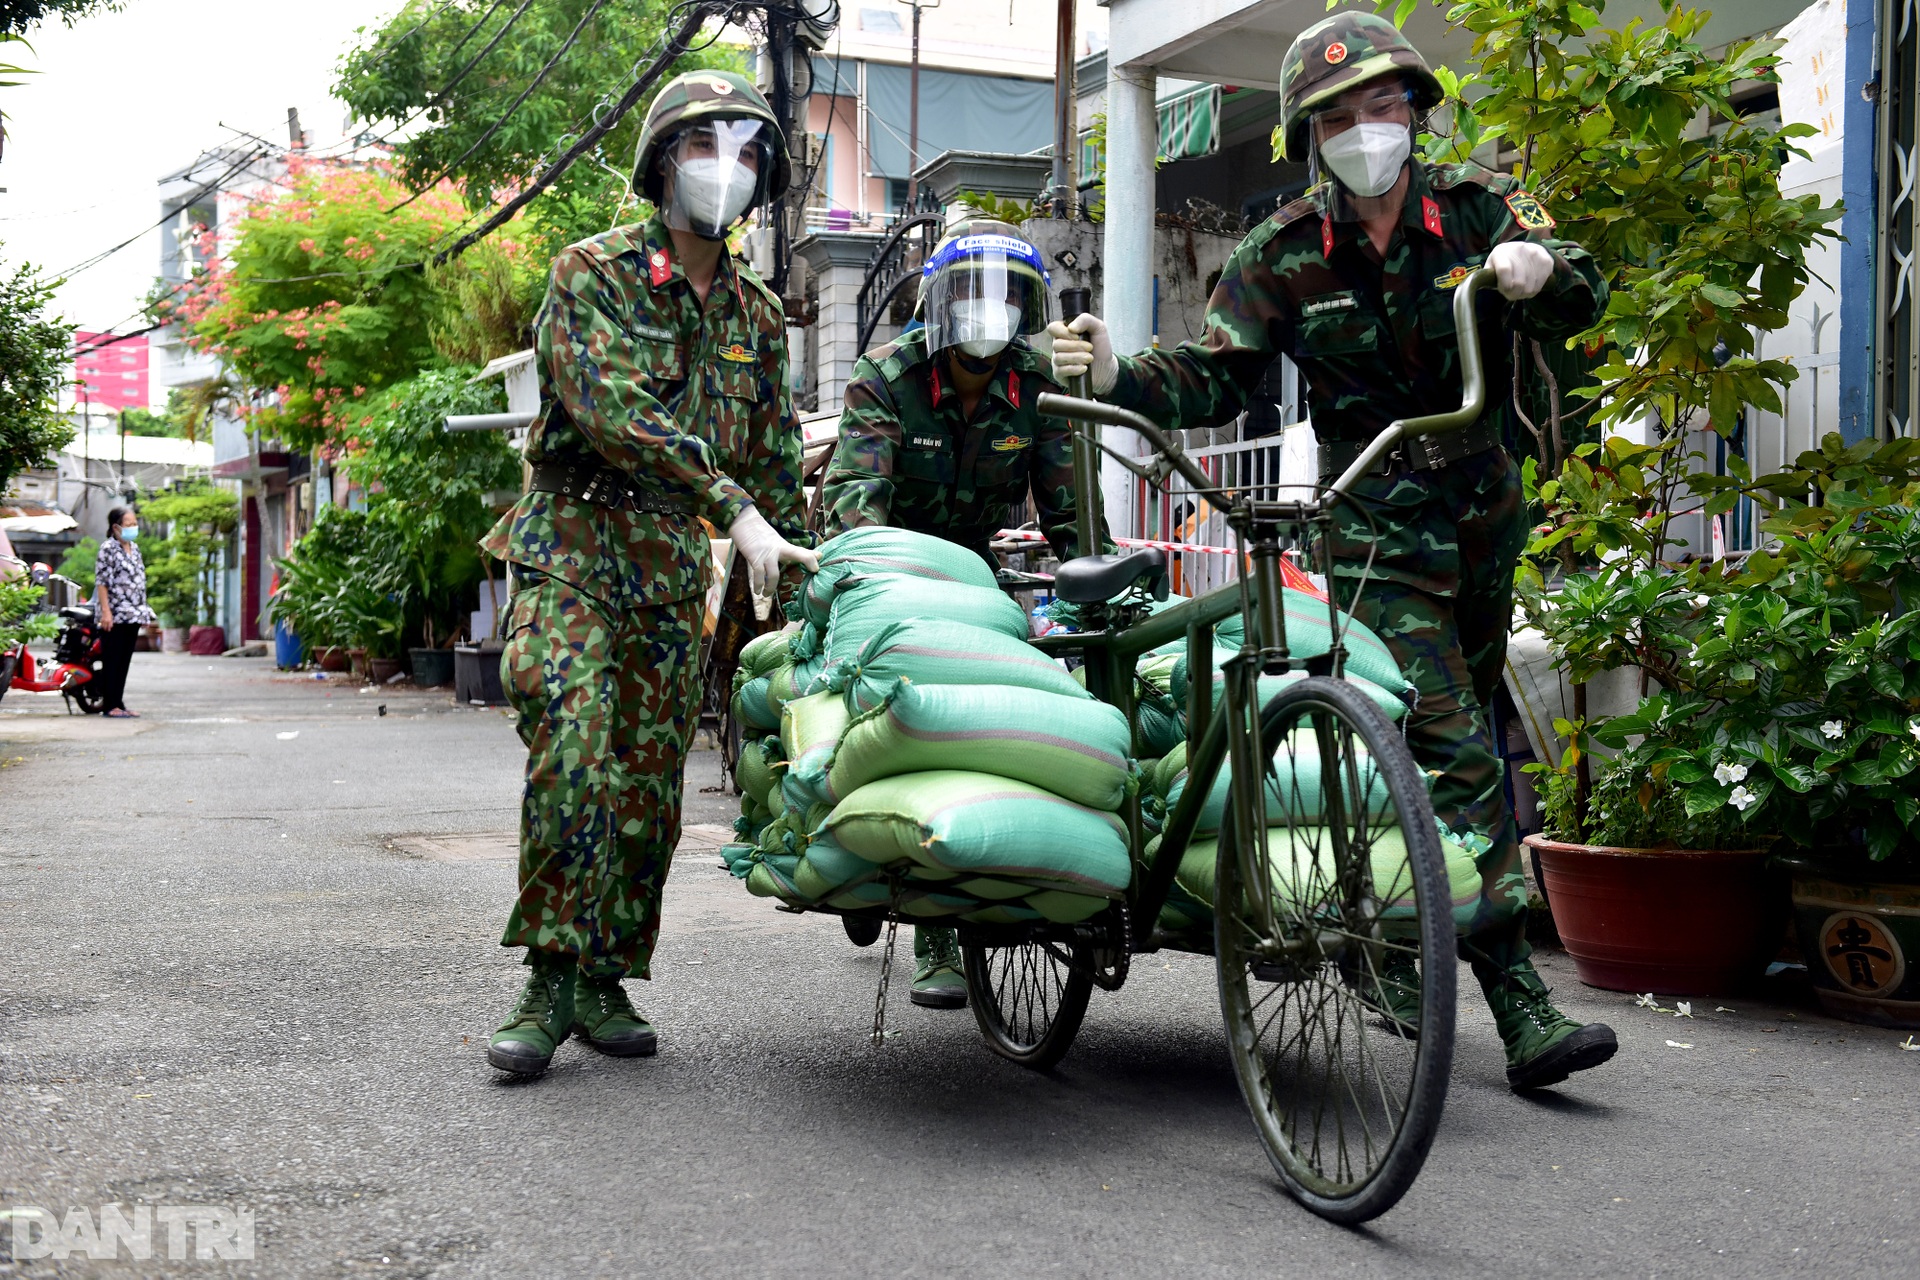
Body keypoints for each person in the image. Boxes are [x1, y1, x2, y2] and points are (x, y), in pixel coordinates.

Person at [1048, 11, 1618, 1091]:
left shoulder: (1481, 209)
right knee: (1456, 743)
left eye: (1383, 105)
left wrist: (1540, 271)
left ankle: (1387, 939)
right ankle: (1520, 999)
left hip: (1484, 510)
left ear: (1415, 111)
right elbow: (1216, 374)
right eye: (1339, 116)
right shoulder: (1282, 253)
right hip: (1374, 522)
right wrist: (1121, 373)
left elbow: (1582, 296)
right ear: (1311, 137)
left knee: (1434, 728)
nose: (1366, 129)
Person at [480, 69, 817, 1076]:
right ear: (663, 162)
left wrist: (803, 576)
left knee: (646, 787)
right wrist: (736, 511)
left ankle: (606, 976)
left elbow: (774, 462)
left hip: (671, 568)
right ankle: (548, 977)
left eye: (746, 150)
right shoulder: (591, 272)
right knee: (574, 750)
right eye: (704, 144)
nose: (725, 166)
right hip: (572, 548)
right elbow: (612, 407)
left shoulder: (759, 315)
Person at [821, 219, 1085, 1009]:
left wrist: (1094, 589)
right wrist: (881, 598)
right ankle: (879, 872)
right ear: (939, 301)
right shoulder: (886, 376)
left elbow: (1071, 513)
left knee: (983, 736)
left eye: (1006, 296)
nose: (987, 309)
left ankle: (945, 917)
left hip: (975, 578)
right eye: (970, 292)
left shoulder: (1039, 384)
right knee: (891, 723)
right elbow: (857, 508)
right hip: (892, 575)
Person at [92, 506, 154, 719]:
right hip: (115, 614)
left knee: (124, 660)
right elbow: (102, 582)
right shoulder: (108, 549)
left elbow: (139, 581)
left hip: (133, 614)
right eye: (129, 524)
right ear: (116, 527)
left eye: (135, 524)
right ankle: (109, 705)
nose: (133, 528)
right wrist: (106, 612)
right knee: (112, 659)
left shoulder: (134, 548)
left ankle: (119, 703)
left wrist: (143, 611)